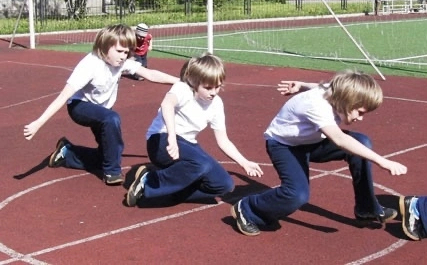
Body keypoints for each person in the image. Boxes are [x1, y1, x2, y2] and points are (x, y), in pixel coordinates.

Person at [230, 70, 407, 236]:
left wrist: (301, 84)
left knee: (362, 142)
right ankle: (247, 209)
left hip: (313, 142)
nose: (360, 118)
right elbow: (339, 139)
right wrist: (382, 161)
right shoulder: (315, 105)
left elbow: (322, 86)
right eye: (359, 112)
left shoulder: (335, 93)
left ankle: (367, 209)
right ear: (347, 100)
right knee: (296, 195)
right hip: (285, 146)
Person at [23, 24, 179, 185]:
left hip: (103, 110)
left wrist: (181, 83)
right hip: (80, 106)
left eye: (126, 52)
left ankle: (67, 153)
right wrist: (38, 123)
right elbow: (63, 96)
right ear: (104, 47)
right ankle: (112, 173)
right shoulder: (89, 65)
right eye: (119, 51)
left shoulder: (121, 62)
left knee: (109, 153)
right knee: (112, 119)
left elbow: (150, 74)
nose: (123, 56)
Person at [126, 53, 263, 207]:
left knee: (224, 185)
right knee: (200, 164)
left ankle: (172, 191)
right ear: (194, 82)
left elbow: (223, 140)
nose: (214, 92)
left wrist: (244, 162)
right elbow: (167, 105)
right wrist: (171, 136)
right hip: (161, 141)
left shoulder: (216, 104)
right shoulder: (183, 89)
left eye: (218, 86)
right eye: (208, 87)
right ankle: (148, 182)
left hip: (187, 144)